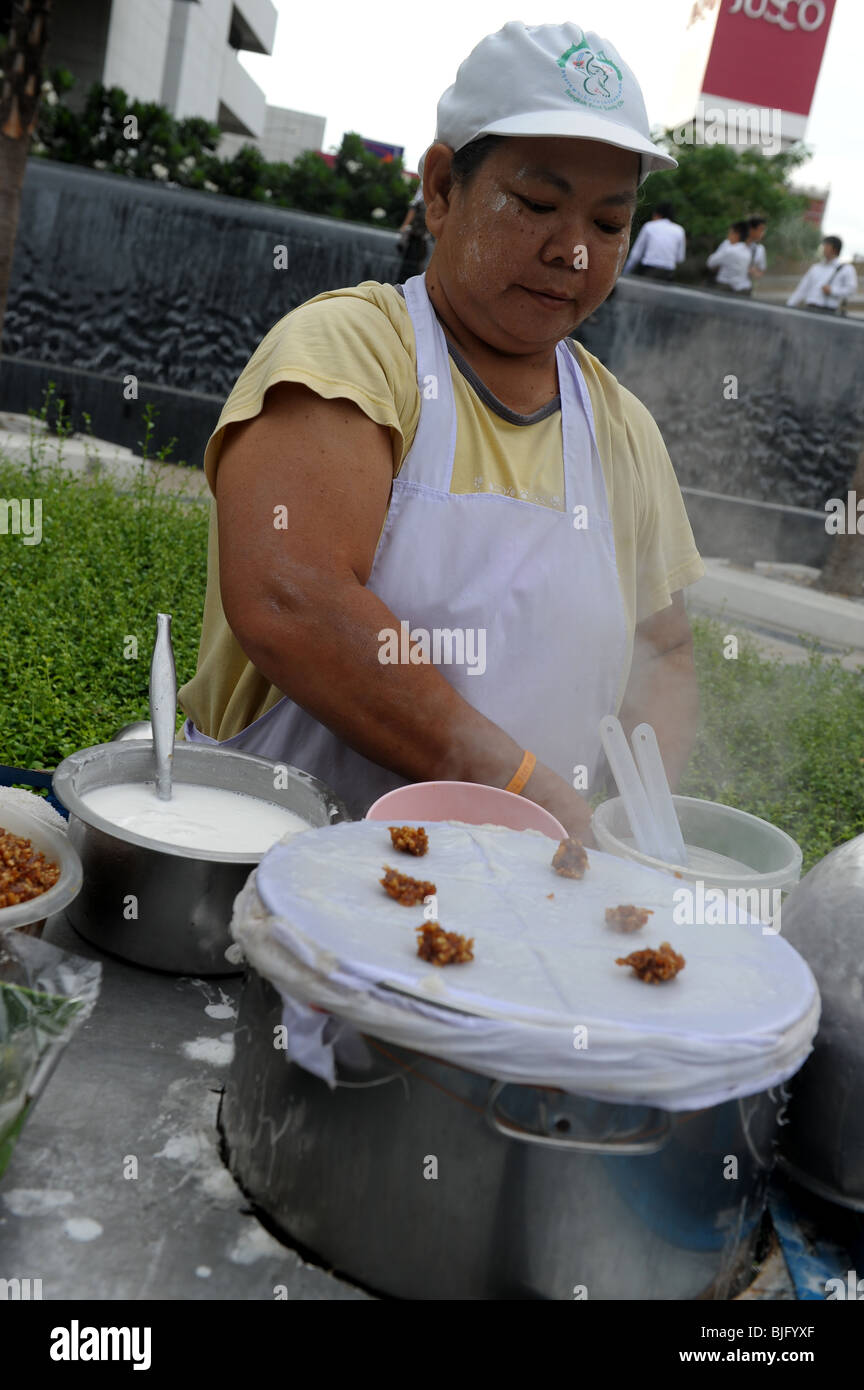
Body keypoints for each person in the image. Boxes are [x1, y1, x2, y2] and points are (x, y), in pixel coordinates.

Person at [178, 21, 705, 836]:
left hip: (517, 900)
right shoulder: (353, 350)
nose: (572, 252)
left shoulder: (622, 431)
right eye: (536, 204)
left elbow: (663, 654)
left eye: (607, 225)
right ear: (441, 187)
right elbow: (293, 598)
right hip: (264, 867)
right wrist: (519, 788)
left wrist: (639, 827)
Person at [787, 236, 858, 315]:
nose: (823, 248)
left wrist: (832, 290)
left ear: (835, 249)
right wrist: (789, 306)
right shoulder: (815, 268)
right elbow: (802, 289)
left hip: (829, 311)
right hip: (809, 309)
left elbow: (851, 290)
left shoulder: (846, 269)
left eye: (827, 246)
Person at [622, 201, 686, 281]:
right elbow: (680, 258)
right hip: (668, 272)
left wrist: (626, 272)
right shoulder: (679, 230)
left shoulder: (649, 226)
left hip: (649, 269)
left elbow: (636, 254)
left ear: (657, 214)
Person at [706, 221, 754, 295]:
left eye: (730, 233)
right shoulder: (747, 251)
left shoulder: (730, 250)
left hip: (726, 288)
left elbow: (710, 262)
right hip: (742, 289)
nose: (728, 236)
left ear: (737, 234)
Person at [745, 216, 767, 287]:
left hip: (746, 288)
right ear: (751, 229)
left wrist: (754, 272)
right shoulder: (732, 245)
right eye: (761, 230)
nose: (763, 233)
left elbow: (761, 272)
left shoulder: (760, 249)